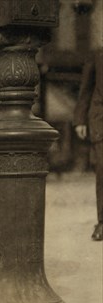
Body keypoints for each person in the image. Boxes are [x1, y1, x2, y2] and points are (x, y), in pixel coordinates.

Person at [74, 48, 103, 241]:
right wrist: (80, 120)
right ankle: (102, 222)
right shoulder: (97, 55)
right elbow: (85, 88)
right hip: (100, 118)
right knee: (102, 168)